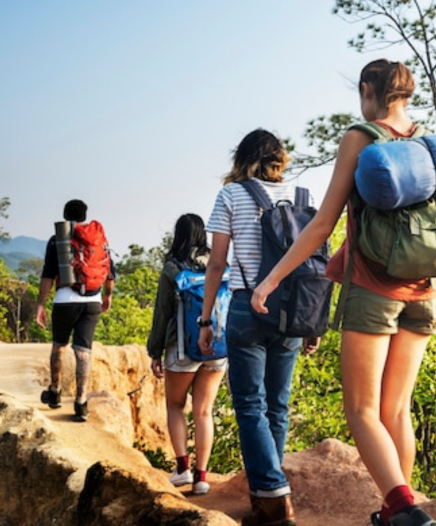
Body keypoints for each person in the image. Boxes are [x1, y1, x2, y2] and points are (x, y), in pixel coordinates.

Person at [251, 60, 436, 526]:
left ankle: (406, 512)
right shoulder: (430, 146)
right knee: (397, 410)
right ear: (407, 95)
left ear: (367, 89)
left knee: (362, 410)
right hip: (428, 294)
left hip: (374, 291)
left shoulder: (361, 137)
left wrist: (271, 279)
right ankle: (395, 512)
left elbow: (323, 223)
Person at [198, 129, 319, 526]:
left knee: (250, 405)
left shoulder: (231, 195)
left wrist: (205, 319)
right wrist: (312, 320)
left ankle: (273, 495)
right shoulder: (304, 196)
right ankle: (266, 491)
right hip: (293, 310)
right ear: (279, 158)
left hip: (248, 307)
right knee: (277, 405)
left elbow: (216, 263)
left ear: (242, 158)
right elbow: (315, 261)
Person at [147, 213, 227, 496]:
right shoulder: (219, 262)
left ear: (178, 234)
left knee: (175, 406)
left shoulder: (173, 266)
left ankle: (182, 468)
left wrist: (154, 351)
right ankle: (202, 478)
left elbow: (162, 313)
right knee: (204, 411)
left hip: (182, 348)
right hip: (217, 348)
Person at [36, 199, 115, 422]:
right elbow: (110, 272)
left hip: (64, 300)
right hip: (92, 301)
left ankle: (55, 392)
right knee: (83, 351)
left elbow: (48, 274)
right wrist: (107, 296)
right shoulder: (100, 239)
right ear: (85, 215)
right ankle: (81, 403)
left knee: (59, 346)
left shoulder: (58, 239)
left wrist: (41, 303)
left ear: (65, 215)